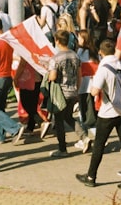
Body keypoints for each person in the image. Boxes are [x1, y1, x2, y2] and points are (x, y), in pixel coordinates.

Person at [76, 37, 121, 189]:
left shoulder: (103, 69)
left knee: (99, 145)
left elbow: (95, 91)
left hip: (107, 112)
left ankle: (91, 176)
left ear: (101, 53)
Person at [47, 29, 81, 158]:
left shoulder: (56, 58)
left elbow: (53, 76)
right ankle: (84, 136)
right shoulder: (75, 55)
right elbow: (79, 75)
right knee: (69, 117)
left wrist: (49, 73)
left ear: (57, 41)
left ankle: (62, 148)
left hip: (60, 94)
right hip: (72, 91)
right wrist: (77, 90)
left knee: (59, 120)